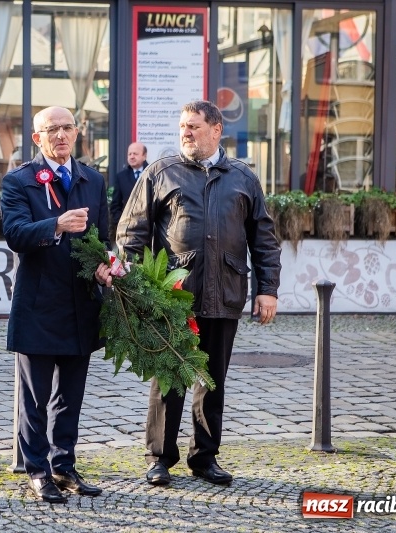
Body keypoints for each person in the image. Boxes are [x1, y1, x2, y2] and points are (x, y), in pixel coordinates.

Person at [116, 100, 281, 488]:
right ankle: (160, 457)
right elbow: (131, 233)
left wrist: (267, 289)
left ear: (216, 130)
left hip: (224, 291)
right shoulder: (161, 172)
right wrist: (142, 288)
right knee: (169, 376)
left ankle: (204, 457)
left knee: (212, 381)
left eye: (193, 126)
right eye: (182, 127)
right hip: (174, 297)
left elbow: (264, 237)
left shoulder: (243, 177)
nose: (185, 133)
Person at [1, 106, 111, 504]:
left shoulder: (92, 180)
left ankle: (64, 465)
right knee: (34, 399)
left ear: (77, 132)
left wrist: (104, 266)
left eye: (67, 128)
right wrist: (56, 225)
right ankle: (37, 470)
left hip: (81, 305)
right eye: (52, 130)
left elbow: (101, 237)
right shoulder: (19, 180)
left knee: (71, 397)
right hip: (38, 305)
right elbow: (14, 233)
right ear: (37, 138)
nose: (60, 135)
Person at [109, 142, 148, 230]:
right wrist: (121, 224)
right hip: (127, 228)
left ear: (144, 156)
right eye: (129, 154)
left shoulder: (152, 174)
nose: (132, 156)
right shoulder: (121, 177)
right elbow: (115, 205)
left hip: (149, 229)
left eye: (135, 154)